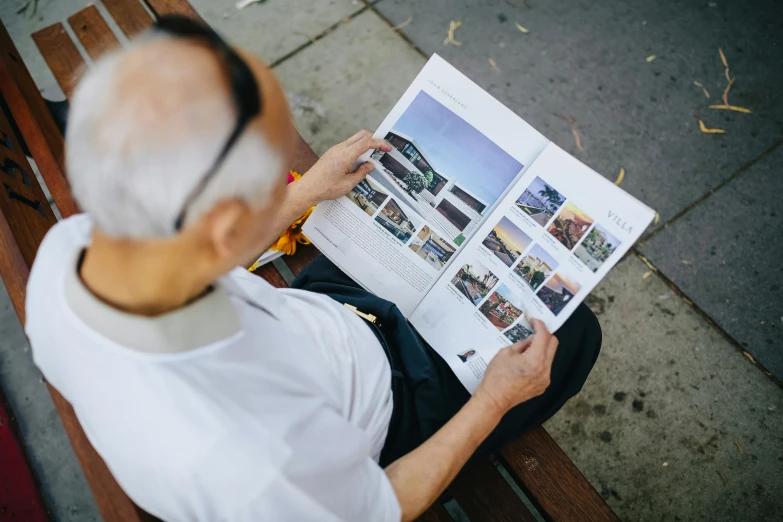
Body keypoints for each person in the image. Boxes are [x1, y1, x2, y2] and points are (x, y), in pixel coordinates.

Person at [25, 16, 601, 522]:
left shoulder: (70, 251)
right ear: (225, 225)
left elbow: (188, 255)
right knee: (574, 333)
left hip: (323, 320)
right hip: (397, 404)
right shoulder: (254, 465)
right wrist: (495, 400)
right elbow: (384, 503)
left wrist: (305, 195)